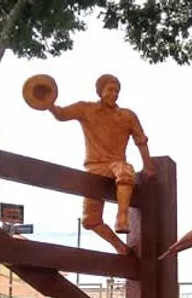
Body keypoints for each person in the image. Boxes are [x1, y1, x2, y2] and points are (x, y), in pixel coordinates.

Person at [48, 74, 155, 255]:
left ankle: (122, 217)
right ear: (100, 91)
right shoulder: (85, 109)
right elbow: (61, 114)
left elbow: (141, 141)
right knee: (90, 220)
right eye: (110, 89)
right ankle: (120, 247)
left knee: (125, 171)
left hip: (116, 163)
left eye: (117, 91)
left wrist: (148, 166)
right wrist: (49, 103)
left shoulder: (127, 116)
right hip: (94, 167)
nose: (114, 94)